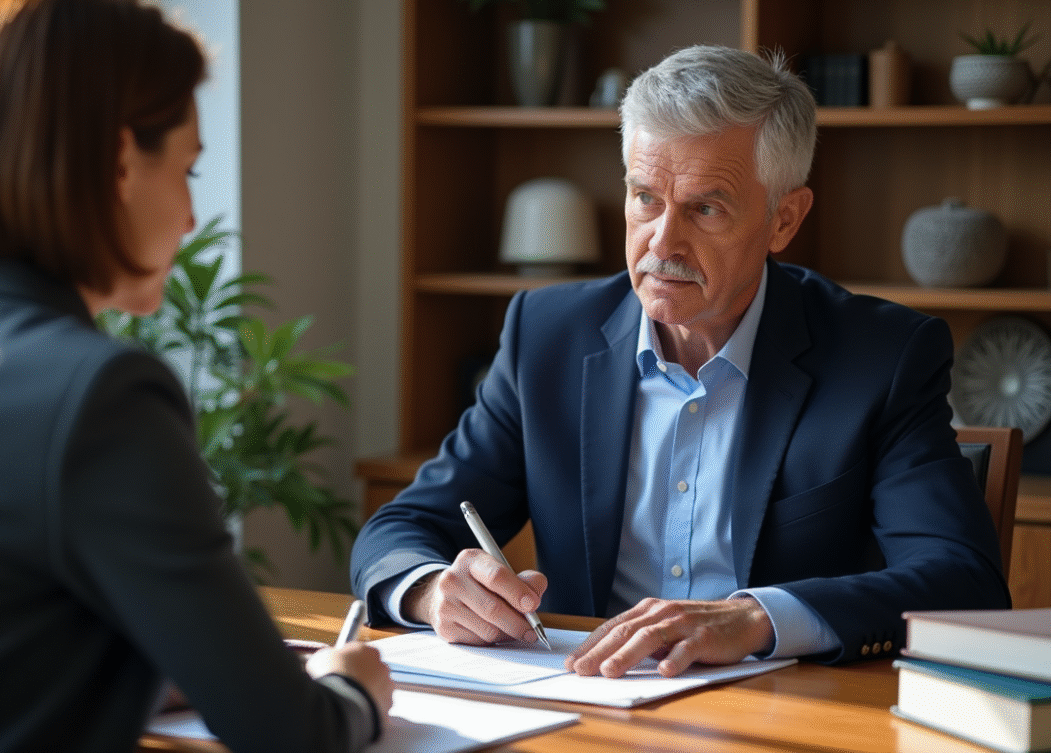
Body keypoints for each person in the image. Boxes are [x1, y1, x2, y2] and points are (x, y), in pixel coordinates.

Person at [350, 44, 1011, 679]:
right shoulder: (547, 336)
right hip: (585, 705)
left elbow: (962, 580)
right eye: (645, 198)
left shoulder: (882, 357)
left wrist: (754, 618)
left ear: (784, 219)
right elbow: (402, 528)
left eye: (705, 207)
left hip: (780, 713)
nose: (663, 242)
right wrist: (435, 590)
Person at [0, 0, 391, 751]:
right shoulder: (99, 393)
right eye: (186, 170)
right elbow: (292, 733)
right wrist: (355, 686)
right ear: (120, 160)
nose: (191, 217)